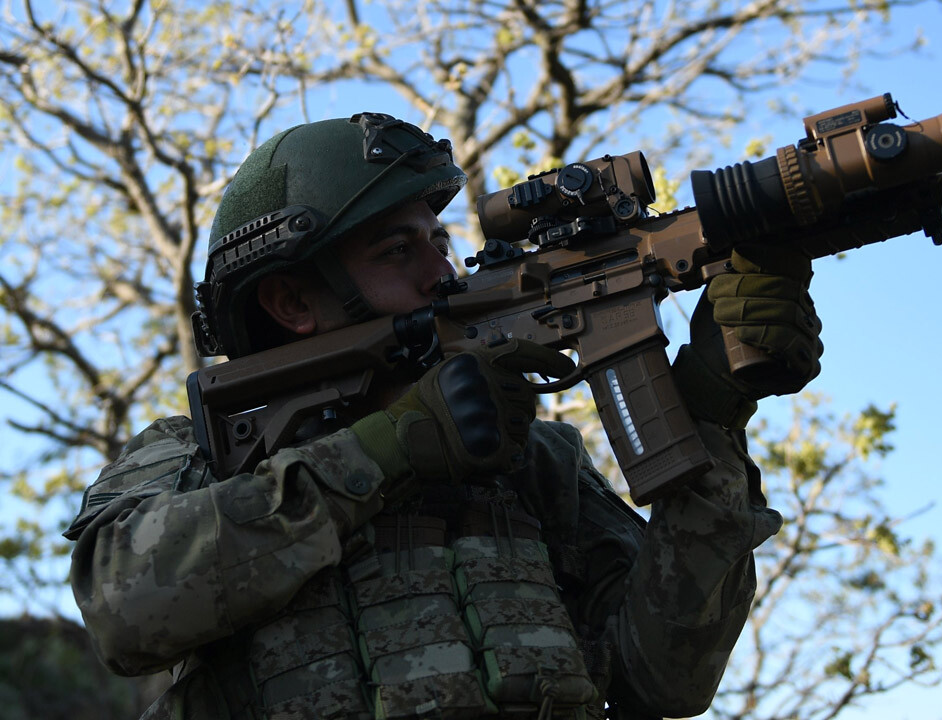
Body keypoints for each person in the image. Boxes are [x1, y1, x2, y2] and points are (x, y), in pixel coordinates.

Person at [64, 112, 823, 720]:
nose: (444, 274)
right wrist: (385, 452)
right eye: (399, 252)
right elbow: (127, 606)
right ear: (293, 303)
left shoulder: (533, 465)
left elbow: (666, 679)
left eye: (442, 242)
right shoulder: (195, 456)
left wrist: (715, 411)